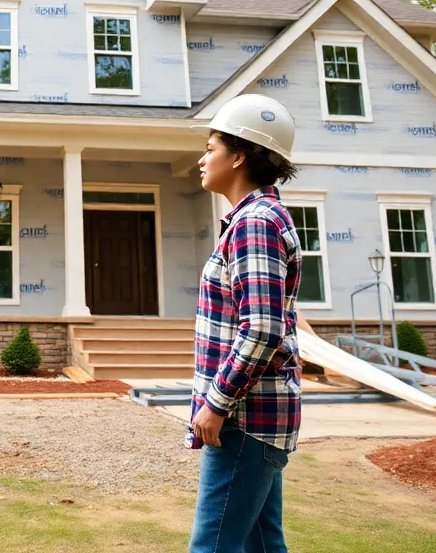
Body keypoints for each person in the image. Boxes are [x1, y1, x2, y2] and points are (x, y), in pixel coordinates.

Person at [189, 94, 303, 553]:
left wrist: (216, 404)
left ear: (238, 156)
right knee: (261, 545)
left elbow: (260, 328)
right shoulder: (255, 219)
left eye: (211, 148)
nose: (201, 158)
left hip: (244, 418)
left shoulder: (255, 222)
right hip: (256, 417)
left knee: (213, 547)